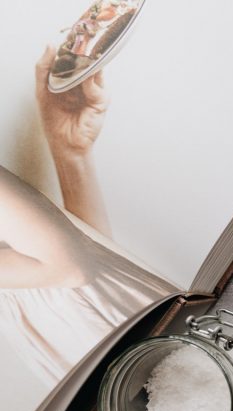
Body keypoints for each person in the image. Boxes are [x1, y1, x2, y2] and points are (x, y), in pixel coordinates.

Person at [0, 48, 172, 387]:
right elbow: (80, 264)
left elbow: (67, 268)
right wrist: (71, 155)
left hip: (106, 328)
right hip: (83, 324)